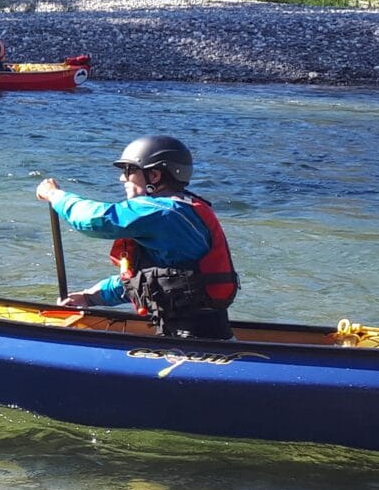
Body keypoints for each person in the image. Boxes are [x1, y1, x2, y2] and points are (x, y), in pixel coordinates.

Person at [34, 135, 240, 340]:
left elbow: (95, 220)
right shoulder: (183, 208)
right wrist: (89, 297)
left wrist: (55, 196)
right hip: (194, 336)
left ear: (155, 175)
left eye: (129, 170)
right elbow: (150, 280)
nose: (122, 178)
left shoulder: (162, 212)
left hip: (196, 344)